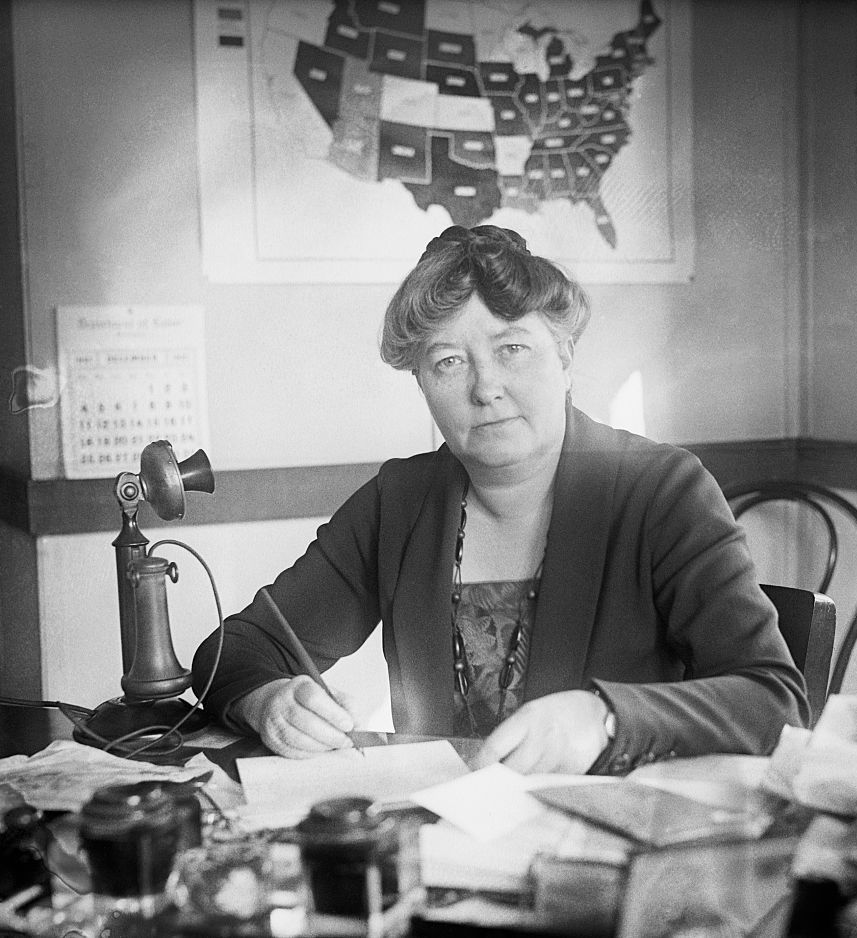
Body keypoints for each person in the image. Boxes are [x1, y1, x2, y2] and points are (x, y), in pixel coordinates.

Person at [192, 225, 809, 775]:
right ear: (423, 386)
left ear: (564, 357)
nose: (486, 387)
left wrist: (604, 719)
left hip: (603, 853)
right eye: (449, 362)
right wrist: (267, 701)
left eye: (512, 348)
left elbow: (772, 699)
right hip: (438, 842)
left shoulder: (662, 490)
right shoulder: (400, 502)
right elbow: (236, 649)